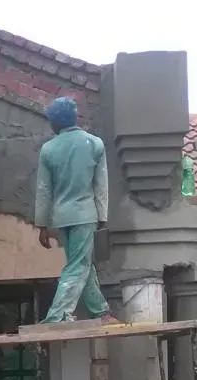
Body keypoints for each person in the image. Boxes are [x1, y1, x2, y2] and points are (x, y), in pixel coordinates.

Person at [34, 97, 119, 325]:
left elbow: (44, 190)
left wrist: (42, 225)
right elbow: (101, 186)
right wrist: (102, 216)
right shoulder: (94, 144)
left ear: (55, 123)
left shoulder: (48, 149)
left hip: (61, 218)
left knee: (80, 263)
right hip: (85, 214)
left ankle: (101, 311)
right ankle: (57, 316)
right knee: (78, 265)